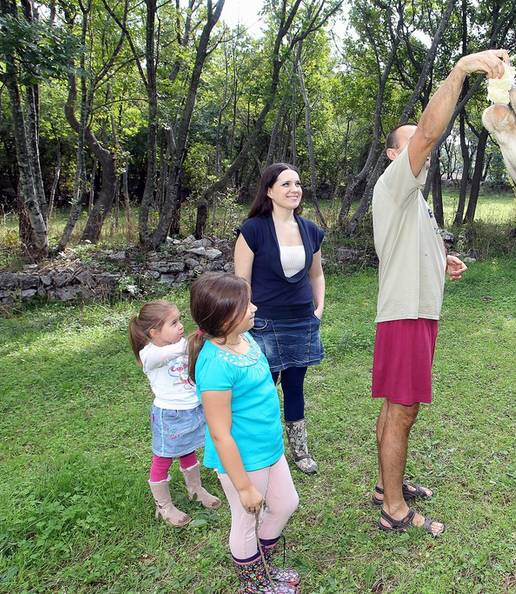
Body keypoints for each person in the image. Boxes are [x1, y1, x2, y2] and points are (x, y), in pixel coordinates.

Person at [371, 49, 509, 537]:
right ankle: (394, 509)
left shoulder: (413, 201)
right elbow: (429, 132)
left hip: (413, 312)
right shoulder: (393, 183)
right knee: (404, 409)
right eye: (410, 145)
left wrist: (440, 258)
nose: (422, 149)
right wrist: (461, 69)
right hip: (406, 315)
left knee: (396, 406)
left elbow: (404, 249)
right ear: (393, 155)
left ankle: (390, 485)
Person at [188, 272, 301, 593]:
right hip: (243, 460)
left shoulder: (245, 340)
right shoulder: (214, 366)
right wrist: (244, 487)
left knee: (285, 503)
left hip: (268, 448)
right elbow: (221, 434)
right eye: (245, 304)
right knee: (246, 521)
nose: (254, 307)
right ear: (223, 318)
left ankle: (261, 568)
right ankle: (253, 584)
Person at [234, 163, 325, 475]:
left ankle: (300, 451)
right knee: (262, 388)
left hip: (302, 321)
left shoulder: (310, 230)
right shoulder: (253, 230)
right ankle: (260, 449)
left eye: (297, 183)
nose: (294, 189)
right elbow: (241, 281)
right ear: (269, 190)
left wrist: (318, 308)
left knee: (295, 386)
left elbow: (317, 274)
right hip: (264, 323)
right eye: (285, 184)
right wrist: (246, 315)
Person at [129, 300, 222, 528]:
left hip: (192, 409)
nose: (181, 326)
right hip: (169, 415)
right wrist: (197, 338)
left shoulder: (180, 343)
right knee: (163, 457)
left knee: (188, 449)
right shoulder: (149, 354)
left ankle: (195, 489)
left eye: (180, 320)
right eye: (174, 323)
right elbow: (179, 350)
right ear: (154, 332)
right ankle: (164, 506)